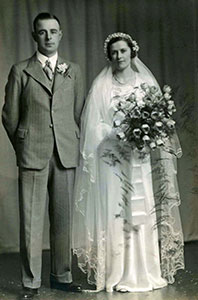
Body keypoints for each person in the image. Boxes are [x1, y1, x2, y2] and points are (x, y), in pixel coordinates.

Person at [72, 32, 184, 293]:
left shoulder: (145, 83)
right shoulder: (102, 86)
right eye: (113, 52)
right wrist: (116, 132)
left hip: (139, 158)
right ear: (109, 56)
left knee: (141, 210)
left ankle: (145, 271)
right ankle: (118, 271)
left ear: (132, 51)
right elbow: (93, 127)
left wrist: (144, 134)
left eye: (122, 51)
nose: (118, 56)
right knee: (117, 210)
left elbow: (159, 123)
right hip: (113, 159)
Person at [2, 12, 84, 299]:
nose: (48, 37)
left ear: (60, 35)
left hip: (64, 153)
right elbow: (9, 117)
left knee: (63, 219)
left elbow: (77, 113)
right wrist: (24, 144)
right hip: (33, 154)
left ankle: (61, 276)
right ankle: (31, 282)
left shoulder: (73, 70)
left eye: (53, 31)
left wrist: (68, 140)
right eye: (42, 32)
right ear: (34, 36)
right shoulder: (20, 70)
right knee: (31, 221)